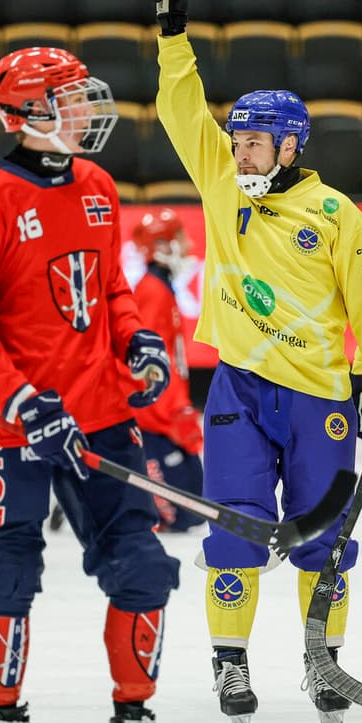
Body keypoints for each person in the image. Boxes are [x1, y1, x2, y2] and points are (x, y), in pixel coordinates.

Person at [150, 0, 362, 723]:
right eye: (236, 141)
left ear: (291, 145)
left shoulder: (335, 214)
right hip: (237, 391)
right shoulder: (222, 183)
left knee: (323, 541)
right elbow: (181, 113)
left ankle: (321, 659)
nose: (240, 153)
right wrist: (173, 40)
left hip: (320, 398)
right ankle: (230, 664)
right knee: (233, 530)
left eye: (256, 143)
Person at [0, 46, 180, 723]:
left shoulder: (99, 185)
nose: (89, 110)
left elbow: (108, 289)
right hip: (6, 426)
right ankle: (4, 714)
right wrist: (22, 401)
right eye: (71, 98)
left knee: (143, 564)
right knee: (7, 565)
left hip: (97, 411)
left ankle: (134, 709)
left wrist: (135, 338)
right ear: (28, 115)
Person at [127, 207, 206, 533]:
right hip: (155, 419)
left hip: (163, 413)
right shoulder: (152, 293)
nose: (187, 247)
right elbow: (147, 367)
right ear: (162, 247)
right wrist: (172, 414)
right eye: (178, 239)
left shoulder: (160, 289)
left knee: (198, 505)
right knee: (185, 515)